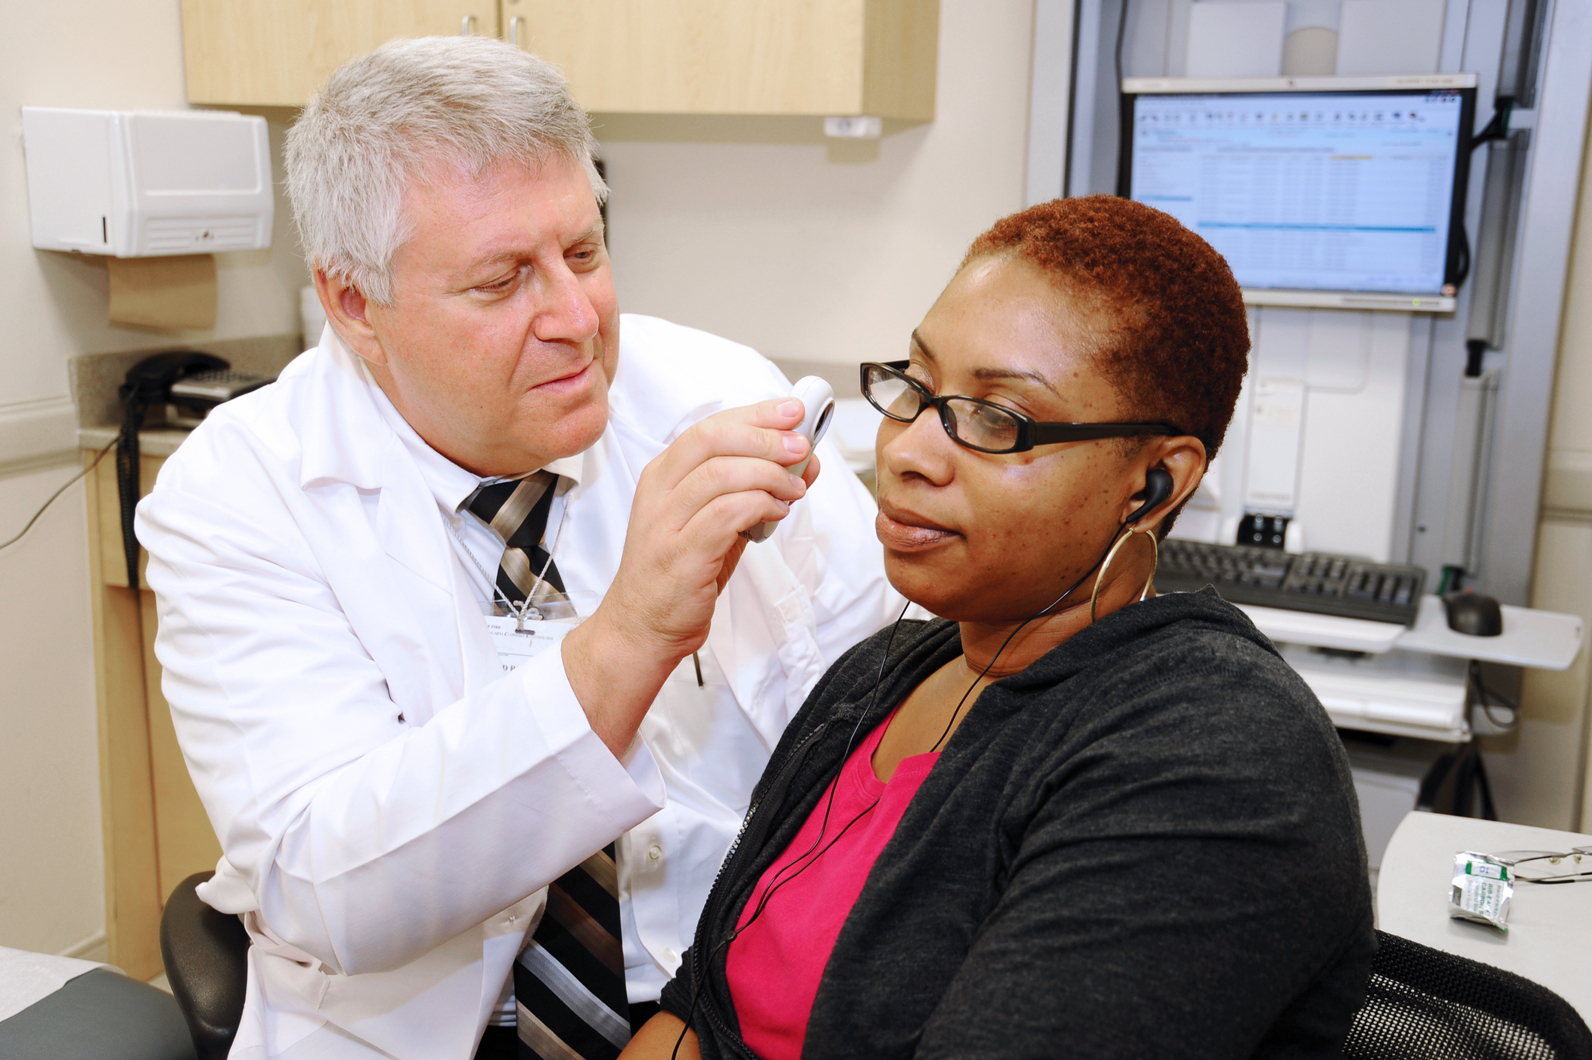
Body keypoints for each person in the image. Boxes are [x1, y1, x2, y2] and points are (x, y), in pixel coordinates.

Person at [135, 36, 897, 1060]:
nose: (577, 319)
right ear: (355, 303)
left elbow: (885, 738)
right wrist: (627, 636)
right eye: (500, 283)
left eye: (584, 252)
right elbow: (326, 888)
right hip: (417, 1028)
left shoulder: (719, 399)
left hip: (721, 999)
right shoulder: (238, 491)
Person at [626, 196, 1377, 1060]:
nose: (905, 448)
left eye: (998, 419)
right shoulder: (884, 674)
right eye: (916, 384)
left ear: (1155, 484)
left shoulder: (1215, 752)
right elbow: (696, 1015)